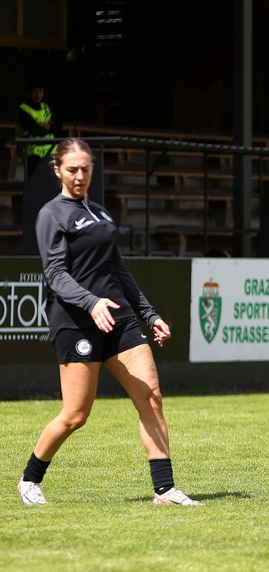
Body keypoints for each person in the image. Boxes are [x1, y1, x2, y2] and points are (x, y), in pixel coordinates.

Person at [17, 139, 200, 506]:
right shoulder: (51, 214)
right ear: (57, 171)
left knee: (151, 398)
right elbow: (55, 273)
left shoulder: (101, 214)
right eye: (72, 169)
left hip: (119, 319)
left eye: (85, 168)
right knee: (76, 415)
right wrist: (90, 302)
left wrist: (149, 313)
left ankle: (164, 489)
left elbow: (118, 268)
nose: (80, 175)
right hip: (76, 322)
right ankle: (29, 479)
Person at [14, 78, 56, 181]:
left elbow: (57, 127)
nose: (38, 94)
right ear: (29, 92)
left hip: (50, 153)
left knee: (50, 188)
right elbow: (35, 130)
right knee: (34, 187)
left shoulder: (46, 107)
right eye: (34, 91)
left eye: (40, 91)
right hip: (31, 154)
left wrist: (41, 125)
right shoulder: (23, 109)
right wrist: (47, 126)